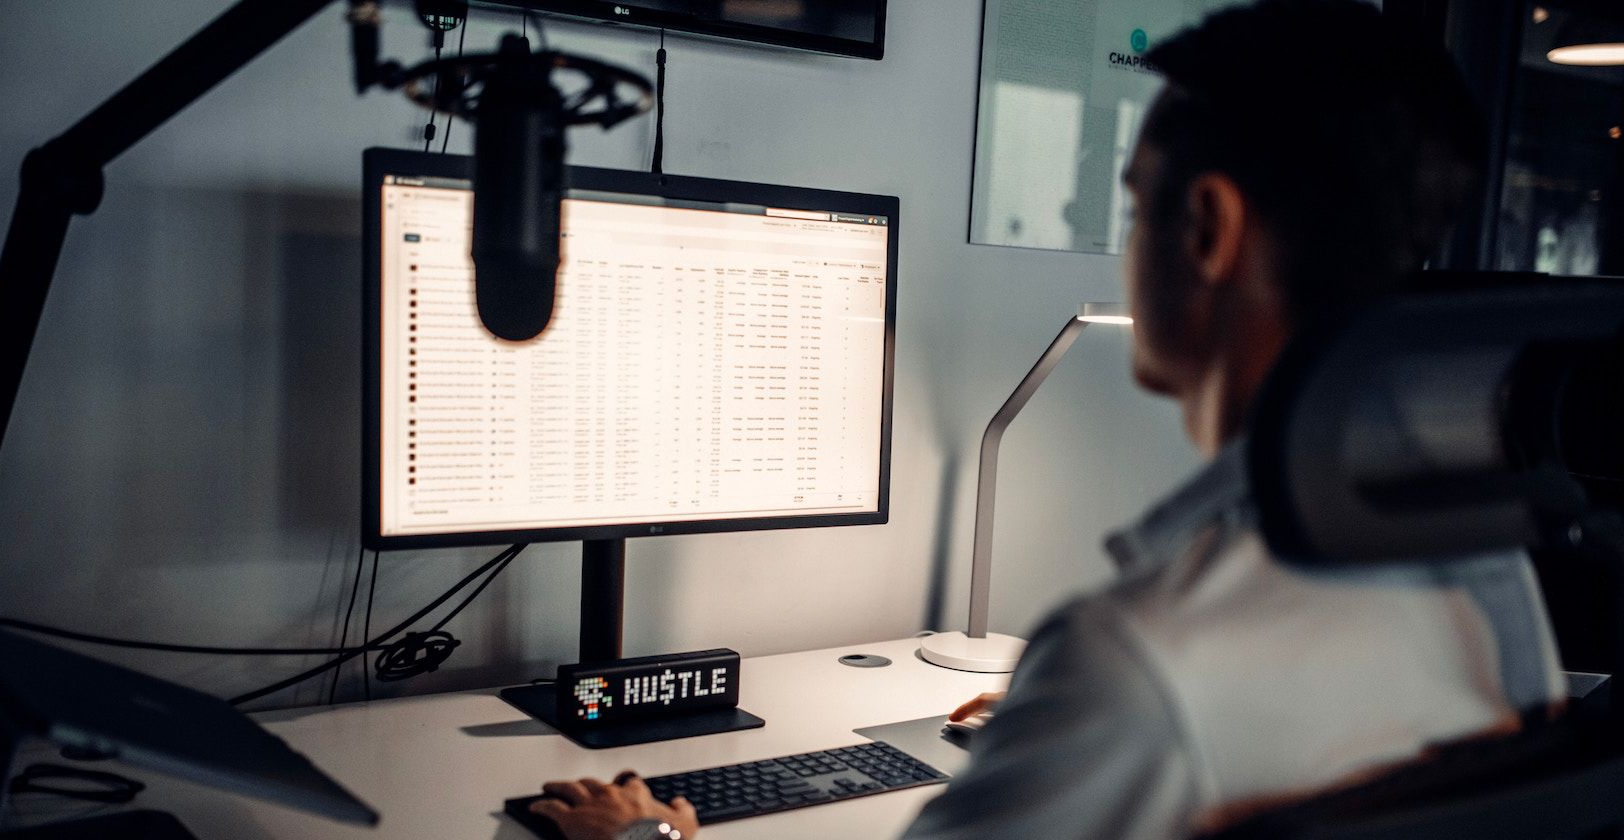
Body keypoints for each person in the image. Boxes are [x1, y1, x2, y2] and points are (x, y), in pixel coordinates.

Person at [527, 1, 1566, 838]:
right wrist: (1053, 735)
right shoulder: (1493, 584)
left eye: (1132, 202)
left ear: (1206, 228)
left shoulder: (1138, 661)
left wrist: (643, 837)